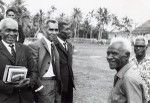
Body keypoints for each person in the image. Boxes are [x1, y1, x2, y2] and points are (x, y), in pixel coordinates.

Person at [0, 18, 37, 103]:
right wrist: (12, 87)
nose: (12, 34)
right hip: (5, 99)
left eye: (15, 31)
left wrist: (29, 81)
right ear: (1, 32)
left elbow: (34, 71)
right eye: (8, 30)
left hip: (26, 99)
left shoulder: (25, 49)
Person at [29, 19, 61, 103]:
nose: (54, 32)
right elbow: (32, 70)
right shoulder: (35, 45)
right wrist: (39, 87)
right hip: (44, 83)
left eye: (56, 30)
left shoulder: (54, 45)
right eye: (51, 29)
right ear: (44, 29)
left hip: (56, 84)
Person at [107, 37, 147, 103]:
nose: (109, 57)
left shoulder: (128, 78)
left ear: (127, 55)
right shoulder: (122, 74)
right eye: (108, 53)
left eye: (114, 53)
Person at [53, 21, 75, 103]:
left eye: (70, 29)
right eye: (67, 29)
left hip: (69, 83)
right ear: (59, 31)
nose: (70, 31)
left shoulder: (69, 45)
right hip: (58, 85)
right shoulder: (53, 44)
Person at [131, 36, 150, 101]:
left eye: (141, 46)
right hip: (131, 99)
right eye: (136, 46)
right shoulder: (128, 62)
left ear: (146, 47)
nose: (138, 48)